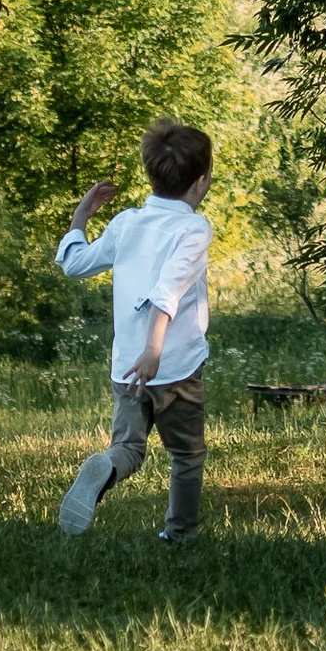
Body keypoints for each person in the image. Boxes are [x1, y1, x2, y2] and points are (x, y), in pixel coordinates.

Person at [51, 118, 214, 542]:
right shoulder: (193, 229)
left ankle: (105, 469)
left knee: (128, 449)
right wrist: (155, 349)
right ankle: (179, 535)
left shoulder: (125, 223)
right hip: (174, 366)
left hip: (126, 368)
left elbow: (74, 264)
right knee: (187, 454)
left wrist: (81, 215)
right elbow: (169, 290)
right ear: (200, 183)